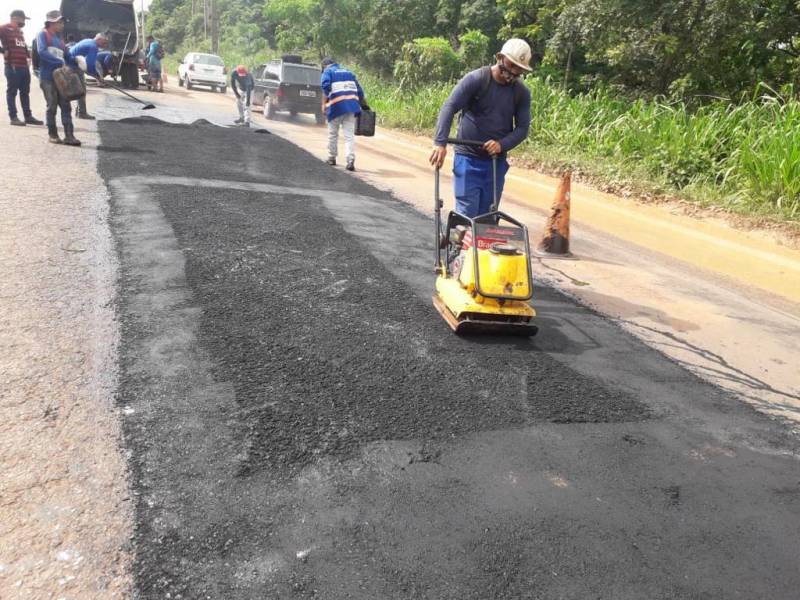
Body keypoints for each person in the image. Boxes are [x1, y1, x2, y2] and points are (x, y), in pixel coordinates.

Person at [429, 39, 533, 218]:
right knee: (467, 213)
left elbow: (523, 128)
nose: (514, 72)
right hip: (468, 158)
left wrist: (501, 144)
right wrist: (440, 142)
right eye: (511, 65)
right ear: (500, 58)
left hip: (495, 162)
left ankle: (469, 239)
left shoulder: (521, 93)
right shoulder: (477, 79)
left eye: (519, 69)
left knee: (488, 217)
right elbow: (450, 106)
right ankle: (459, 240)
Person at [35, 10, 80, 146]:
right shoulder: (43, 35)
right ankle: (53, 134)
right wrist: (58, 62)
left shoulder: (60, 40)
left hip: (61, 79)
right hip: (48, 77)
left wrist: (78, 61)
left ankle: (69, 136)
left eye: (62, 22)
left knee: (66, 106)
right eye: (60, 22)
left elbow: (67, 56)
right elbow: (42, 52)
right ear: (51, 22)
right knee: (52, 106)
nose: (62, 25)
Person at [320, 57, 365, 172]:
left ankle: (331, 157)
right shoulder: (348, 72)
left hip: (336, 107)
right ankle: (350, 160)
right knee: (349, 136)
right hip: (351, 107)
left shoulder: (328, 72)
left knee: (333, 133)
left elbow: (325, 86)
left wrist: (324, 103)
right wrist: (364, 105)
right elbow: (360, 91)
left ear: (325, 66)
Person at [0, 9, 43, 126]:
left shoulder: (20, 32)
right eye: (23, 19)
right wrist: (3, 50)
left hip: (24, 67)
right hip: (12, 66)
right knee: (12, 92)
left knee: (25, 92)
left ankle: (28, 116)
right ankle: (13, 117)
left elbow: (22, 47)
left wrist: (28, 56)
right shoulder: (4, 28)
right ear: (15, 17)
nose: (24, 21)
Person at [66, 33, 108, 120]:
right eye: (104, 43)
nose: (105, 45)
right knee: (81, 90)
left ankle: (80, 112)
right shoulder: (93, 46)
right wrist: (98, 77)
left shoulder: (88, 40)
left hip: (72, 63)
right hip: (72, 66)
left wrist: (97, 76)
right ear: (99, 40)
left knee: (80, 89)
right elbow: (90, 65)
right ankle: (81, 113)